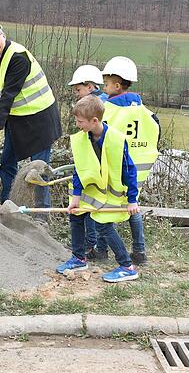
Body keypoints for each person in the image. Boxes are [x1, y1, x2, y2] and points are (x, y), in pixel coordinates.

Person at [56, 95, 140, 283]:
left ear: (94, 121)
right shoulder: (81, 139)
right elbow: (80, 167)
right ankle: (79, 258)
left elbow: (129, 170)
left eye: (80, 121)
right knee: (76, 215)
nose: (77, 125)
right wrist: (76, 196)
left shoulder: (116, 140)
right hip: (90, 191)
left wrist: (132, 199)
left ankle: (127, 266)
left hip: (110, 193)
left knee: (104, 226)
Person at [0, 19, 62, 208]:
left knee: (38, 171)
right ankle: (8, 205)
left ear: (3, 34)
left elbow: (8, 95)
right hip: (19, 121)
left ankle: (41, 215)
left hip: (41, 120)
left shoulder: (18, 57)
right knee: (7, 164)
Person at [98, 56, 160, 265]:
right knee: (132, 207)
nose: (104, 88)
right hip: (139, 169)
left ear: (117, 85)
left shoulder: (110, 110)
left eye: (106, 84)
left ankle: (102, 249)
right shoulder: (143, 110)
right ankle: (139, 251)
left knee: (104, 208)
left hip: (115, 167)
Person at [67, 65, 107, 258]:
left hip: (96, 168)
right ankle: (94, 245)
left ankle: (92, 245)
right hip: (95, 167)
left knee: (92, 209)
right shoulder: (99, 104)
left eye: (79, 90)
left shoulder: (98, 107)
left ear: (90, 87)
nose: (77, 94)